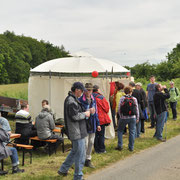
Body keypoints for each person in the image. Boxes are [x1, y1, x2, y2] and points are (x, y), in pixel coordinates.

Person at [58, 82, 90, 180]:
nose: (82, 93)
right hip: (76, 132)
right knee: (80, 154)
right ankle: (78, 176)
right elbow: (74, 116)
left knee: (75, 151)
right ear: (77, 90)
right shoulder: (71, 101)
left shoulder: (72, 99)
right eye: (81, 91)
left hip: (77, 131)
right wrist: (85, 114)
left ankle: (63, 169)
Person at [79, 83, 101, 168]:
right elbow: (79, 113)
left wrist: (98, 123)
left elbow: (96, 112)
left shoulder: (93, 99)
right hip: (84, 123)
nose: (89, 91)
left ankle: (88, 159)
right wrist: (88, 110)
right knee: (85, 143)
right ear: (84, 90)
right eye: (87, 90)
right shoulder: (80, 100)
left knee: (91, 142)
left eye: (90, 90)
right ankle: (82, 160)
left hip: (92, 123)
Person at [115, 86, 139, 152]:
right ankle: (131, 147)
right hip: (132, 117)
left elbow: (119, 108)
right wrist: (137, 117)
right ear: (131, 92)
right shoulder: (134, 99)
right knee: (132, 132)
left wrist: (120, 116)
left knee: (120, 131)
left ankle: (120, 146)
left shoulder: (122, 98)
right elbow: (137, 109)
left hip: (123, 117)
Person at [93, 85, 111, 154]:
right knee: (101, 135)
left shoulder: (89, 97)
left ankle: (96, 149)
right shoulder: (101, 97)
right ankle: (102, 149)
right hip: (101, 119)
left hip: (93, 119)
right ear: (97, 90)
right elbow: (106, 109)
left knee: (95, 135)